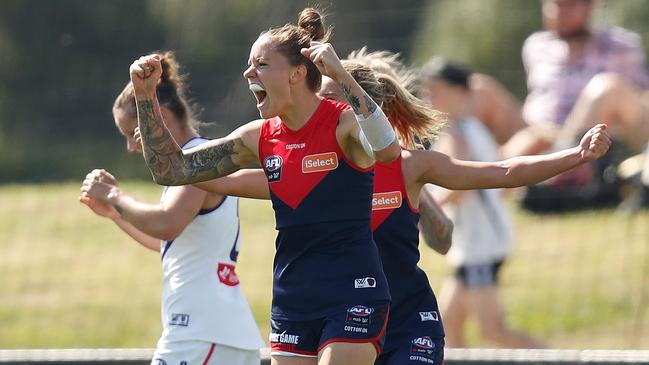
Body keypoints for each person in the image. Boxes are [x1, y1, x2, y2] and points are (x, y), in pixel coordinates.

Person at [182, 53, 611, 361]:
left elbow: (502, 172)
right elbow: (212, 176)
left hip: (406, 324)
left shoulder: (409, 168)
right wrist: (167, 151)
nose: (321, 110)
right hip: (342, 323)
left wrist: (576, 156)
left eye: (332, 99)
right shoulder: (307, 169)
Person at [128, 8, 403, 365]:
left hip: (353, 292)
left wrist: (340, 75)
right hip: (293, 298)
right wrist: (144, 95)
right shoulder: (258, 137)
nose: (248, 73)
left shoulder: (342, 123)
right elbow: (171, 168)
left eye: (260, 64)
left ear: (296, 74)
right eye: (249, 64)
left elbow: (387, 150)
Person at [78, 52, 264, 365]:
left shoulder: (195, 160)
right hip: (214, 333)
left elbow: (167, 224)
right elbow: (168, 241)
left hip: (201, 332)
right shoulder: (190, 163)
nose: (131, 146)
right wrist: (116, 215)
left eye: (130, 133)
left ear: (159, 115)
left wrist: (113, 195)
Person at [419, 58, 546, 349]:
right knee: (447, 326)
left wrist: (420, 206)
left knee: (493, 330)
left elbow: (459, 189)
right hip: (474, 247)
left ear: (461, 93)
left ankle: (566, 360)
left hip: (481, 248)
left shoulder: (459, 132)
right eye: (426, 91)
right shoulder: (470, 128)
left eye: (435, 90)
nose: (428, 98)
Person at [504, 0, 649, 157]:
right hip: (539, 134)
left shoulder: (621, 47)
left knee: (606, 87)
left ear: (590, 6)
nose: (560, 12)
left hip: (596, 142)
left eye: (570, 4)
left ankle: (566, 161)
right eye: (556, 4)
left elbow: (641, 100)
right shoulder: (536, 46)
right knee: (479, 88)